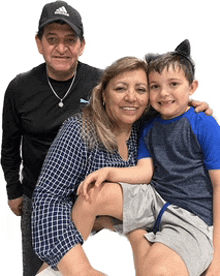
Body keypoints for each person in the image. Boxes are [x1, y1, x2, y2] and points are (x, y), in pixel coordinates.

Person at [32, 53, 212, 275]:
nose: (131, 97)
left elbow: (172, 101)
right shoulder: (80, 130)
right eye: (120, 89)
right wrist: (79, 267)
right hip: (77, 228)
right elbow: (48, 198)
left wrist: (193, 106)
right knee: (94, 195)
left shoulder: (145, 125)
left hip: (156, 215)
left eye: (141, 89)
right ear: (104, 94)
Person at [1, 1, 102, 275]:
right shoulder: (19, 87)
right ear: (39, 43)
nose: (61, 48)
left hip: (86, 199)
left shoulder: (101, 84)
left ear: (82, 45)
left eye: (70, 40)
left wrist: (188, 108)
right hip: (37, 197)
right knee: (38, 272)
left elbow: (139, 110)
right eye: (52, 39)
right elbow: (9, 146)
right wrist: (14, 190)